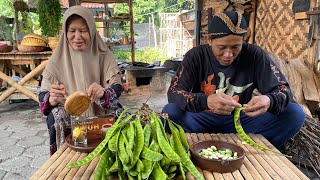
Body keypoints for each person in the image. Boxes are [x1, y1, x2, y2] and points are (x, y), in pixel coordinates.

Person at [162, 11, 305, 150]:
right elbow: (174, 93)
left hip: (241, 121)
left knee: (294, 113)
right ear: (209, 40)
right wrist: (206, 101)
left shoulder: (255, 55)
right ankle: (196, 145)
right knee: (170, 112)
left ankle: (249, 149)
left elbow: (283, 90)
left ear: (244, 40)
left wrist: (269, 100)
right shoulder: (195, 56)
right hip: (201, 119)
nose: (228, 54)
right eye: (222, 47)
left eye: (236, 46)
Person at [39, 6, 122, 155]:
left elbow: (117, 87)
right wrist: (51, 99)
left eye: (83, 30)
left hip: (100, 112)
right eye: (72, 31)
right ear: (65, 32)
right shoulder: (57, 59)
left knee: (123, 115)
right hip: (71, 118)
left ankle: (117, 157)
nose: (77, 36)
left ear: (92, 31)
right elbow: (43, 98)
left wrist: (103, 93)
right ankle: (63, 160)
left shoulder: (104, 54)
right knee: (55, 117)